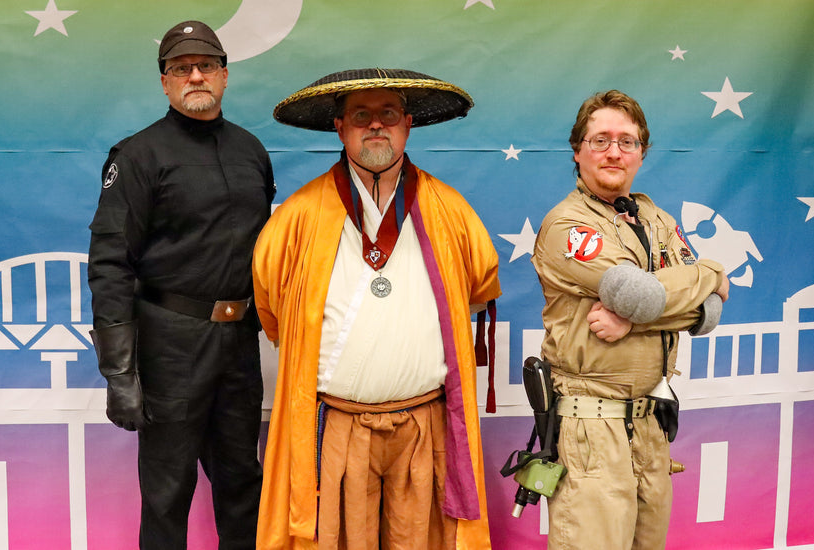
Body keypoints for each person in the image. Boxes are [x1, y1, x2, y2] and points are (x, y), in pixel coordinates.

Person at [252, 68, 502, 549]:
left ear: (407, 123)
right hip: (338, 426)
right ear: (339, 127)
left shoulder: (451, 210)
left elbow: (479, 282)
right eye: (361, 115)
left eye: (388, 114)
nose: (375, 126)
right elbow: (272, 304)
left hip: (421, 426)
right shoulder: (297, 218)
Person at [86, 20, 275, 549]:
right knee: (168, 493)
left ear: (225, 76)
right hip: (170, 347)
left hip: (239, 344)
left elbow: (264, 251)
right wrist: (119, 373)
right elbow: (109, 264)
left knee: (243, 483)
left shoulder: (251, 151)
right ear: (165, 83)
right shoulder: (138, 156)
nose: (195, 76)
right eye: (180, 68)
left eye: (206, 66)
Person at [531, 89, 729, 549]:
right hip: (590, 430)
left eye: (627, 141)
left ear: (643, 152)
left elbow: (708, 317)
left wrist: (635, 321)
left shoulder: (654, 218)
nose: (614, 151)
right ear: (577, 150)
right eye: (600, 140)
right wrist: (712, 273)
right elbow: (638, 294)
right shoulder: (568, 225)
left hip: (649, 425)